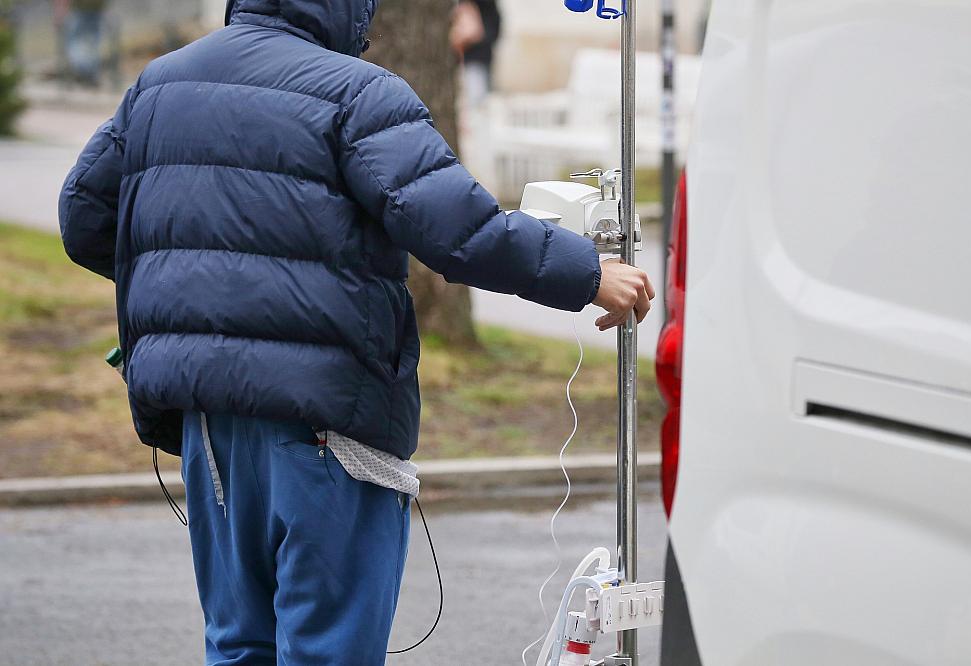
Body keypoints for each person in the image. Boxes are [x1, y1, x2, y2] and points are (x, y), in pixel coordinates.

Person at [57, 0, 654, 663]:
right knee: (328, 649)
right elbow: (458, 230)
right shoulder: (358, 92)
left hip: (207, 421)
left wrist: (195, 287)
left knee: (238, 645)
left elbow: (84, 216)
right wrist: (586, 274)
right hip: (325, 419)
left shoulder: (160, 82)